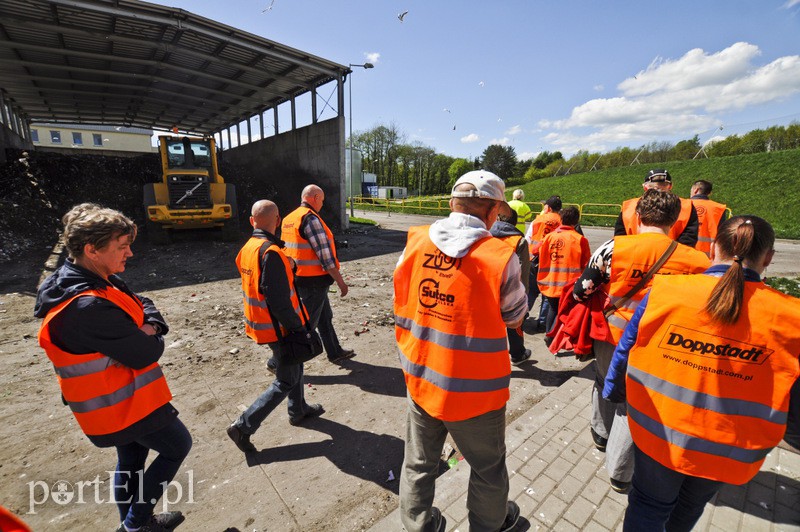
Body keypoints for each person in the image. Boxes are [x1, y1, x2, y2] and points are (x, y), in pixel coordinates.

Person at [602, 215, 800, 531]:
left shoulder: (667, 291)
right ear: (768, 258)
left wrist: (613, 392)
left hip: (661, 434)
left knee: (649, 506)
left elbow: (625, 350)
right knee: (690, 507)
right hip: (729, 449)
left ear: (712, 251)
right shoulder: (792, 318)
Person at [34, 203, 191, 532]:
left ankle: (136, 522)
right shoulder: (86, 306)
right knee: (178, 445)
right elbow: (146, 352)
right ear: (92, 250)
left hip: (120, 400)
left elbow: (142, 303)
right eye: (122, 247)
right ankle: (134, 526)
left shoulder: (89, 279)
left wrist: (149, 324)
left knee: (132, 459)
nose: (130, 254)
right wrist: (151, 331)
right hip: (122, 405)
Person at [394, 170, 528, 532]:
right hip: (475, 391)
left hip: (422, 376)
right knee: (487, 469)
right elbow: (515, 317)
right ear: (494, 209)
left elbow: (402, 297)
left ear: (453, 203)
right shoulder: (499, 256)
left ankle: (418, 525)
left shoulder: (417, 241)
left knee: (418, 463)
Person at [573, 190, 710, 494]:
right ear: (675, 221)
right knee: (637, 402)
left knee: (603, 381)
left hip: (612, 336)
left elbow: (581, 290)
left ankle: (600, 434)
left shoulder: (613, 248)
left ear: (637, 217)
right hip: (663, 345)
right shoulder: (698, 261)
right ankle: (621, 472)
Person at [227, 200, 324, 453]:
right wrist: (298, 329)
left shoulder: (248, 248)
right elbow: (279, 301)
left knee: (295, 364)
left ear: (252, 221)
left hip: (261, 324)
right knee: (285, 381)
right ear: (278, 220)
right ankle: (243, 426)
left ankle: (298, 409)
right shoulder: (271, 253)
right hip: (278, 328)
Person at [279, 184, 354, 368]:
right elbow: (326, 258)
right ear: (313, 197)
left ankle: (335, 352)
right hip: (314, 282)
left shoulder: (289, 218)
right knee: (306, 326)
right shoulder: (311, 219)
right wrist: (341, 283)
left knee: (324, 317)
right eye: (321, 199)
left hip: (299, 277)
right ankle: (280, 362)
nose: (322, 203)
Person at [537, 206, 591, 337]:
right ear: (576, 221)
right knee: (566, 312)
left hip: (550, 282)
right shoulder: (580, 240)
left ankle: (549, 335)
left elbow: (535, 251)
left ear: (561, 219)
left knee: (553, 309)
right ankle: (559, 337)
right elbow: (586, 263)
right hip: (570, 285)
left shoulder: (549, 237)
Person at [490, 201, 533, 365]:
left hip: (488, 287)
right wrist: (524, 298)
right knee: (514, 322)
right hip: (510, 289)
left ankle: (491, 356)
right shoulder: (518, 242)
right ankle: (517, 354)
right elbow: (523, 272)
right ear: (515, 223)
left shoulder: (487, 236)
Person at [615, 169, 699, 247]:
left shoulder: (629, 207)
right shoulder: (686, 206)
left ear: (645, 187)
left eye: (661, 186)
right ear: (670, 186)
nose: (657, 190)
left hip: (634, 257)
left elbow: (619, 240)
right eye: (654, 187)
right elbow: (688, 240)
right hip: (672, 258)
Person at [523, 195, 562, 333]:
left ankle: (521, 317)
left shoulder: (537, 220)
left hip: (534, 260)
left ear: (548, 207)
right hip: (553, 262)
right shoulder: (562, 221)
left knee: (531, 291)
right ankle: (542, 322)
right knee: (547, 295)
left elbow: (527, 240)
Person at [690, 179, 728, 256]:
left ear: (695, 190)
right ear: (709, 193)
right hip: (710, 256)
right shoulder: (718, 208)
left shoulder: (682, 205)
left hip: (686, 253)